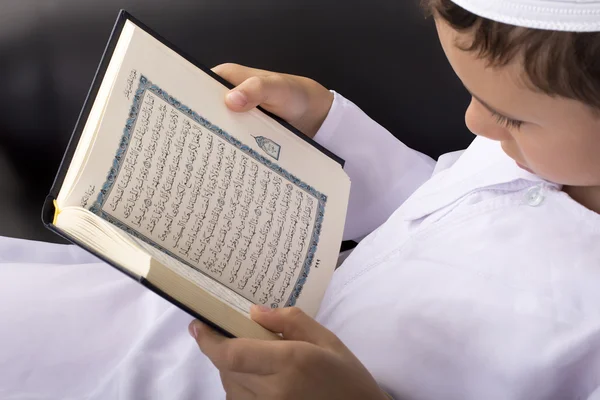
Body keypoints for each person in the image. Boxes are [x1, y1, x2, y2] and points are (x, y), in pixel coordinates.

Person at [2, 0, 600, 398]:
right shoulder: (530, 148)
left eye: (512, 118)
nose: (474, 122)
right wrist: (321, 127)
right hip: (195, 312)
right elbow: (435, 204)